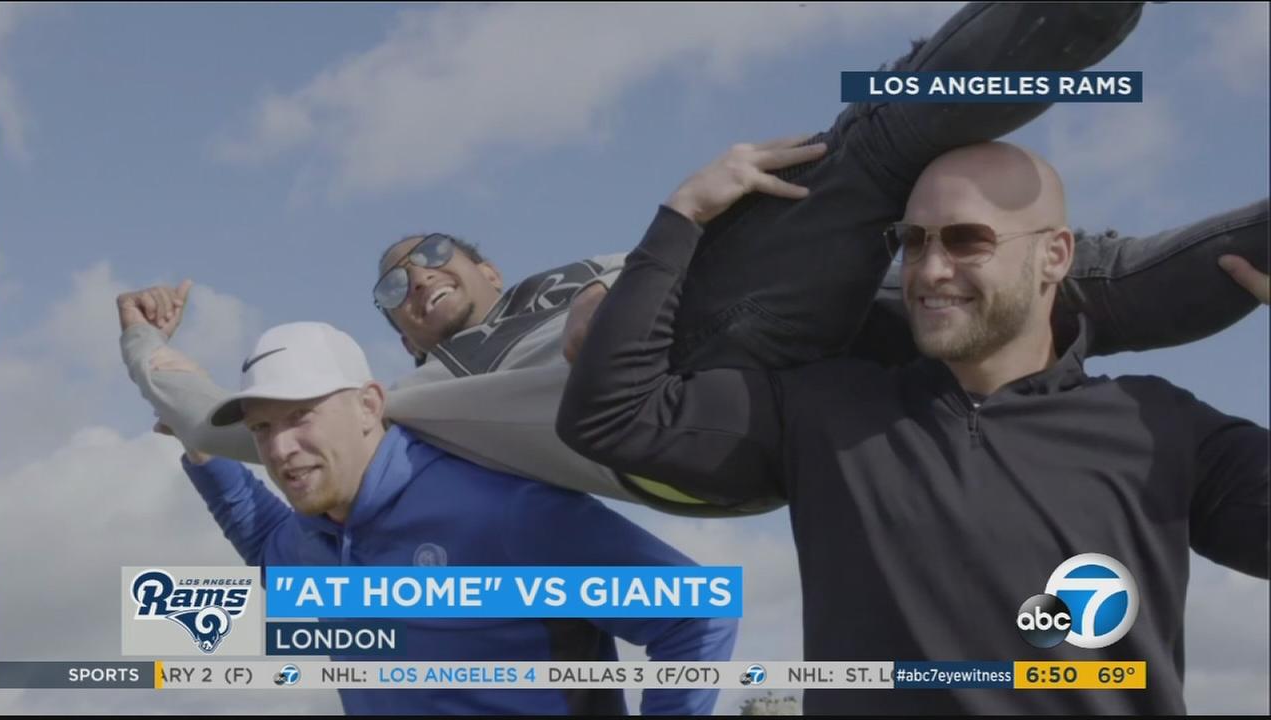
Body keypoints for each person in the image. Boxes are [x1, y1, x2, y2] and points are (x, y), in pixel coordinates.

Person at [119, 1, 1266, 519]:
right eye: (391, 289)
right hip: (683, 415)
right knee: (870, 147)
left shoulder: (584, 265)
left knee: (1048, 279)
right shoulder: (406, 399)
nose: (414, 283)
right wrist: (147, 347)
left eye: (430, 258)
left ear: (480, 258)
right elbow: (224, 422)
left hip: (805, 362)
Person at [556, 139, 1269, 714]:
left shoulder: (1159, 427)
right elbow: (611, 416)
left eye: (965, 241)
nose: (931, 270)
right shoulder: (825, 411)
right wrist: (682, 218)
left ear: (1054, 255)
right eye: (914, 241)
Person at [135, 313, 738, 716]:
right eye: (262, 428)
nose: (279, 448)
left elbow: (695, 614)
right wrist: (197, 435)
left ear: (369, 405)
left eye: (300, 416)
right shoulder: (309, 541)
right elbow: (262, 537)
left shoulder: (499, 509)